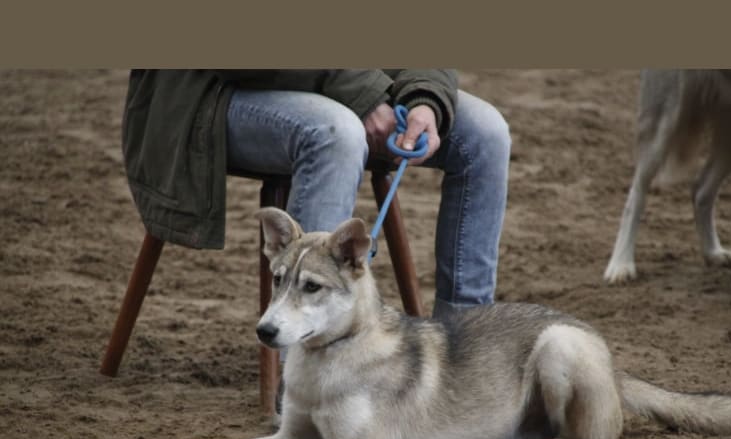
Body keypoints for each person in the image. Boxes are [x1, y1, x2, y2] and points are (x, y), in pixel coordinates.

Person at [122, 69, 511, 320]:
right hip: (213, 89)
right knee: (336, 133)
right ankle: (309, 374)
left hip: (347, 78)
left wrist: (426, 97)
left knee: (484, 133)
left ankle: (465, 343)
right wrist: (363, 93)